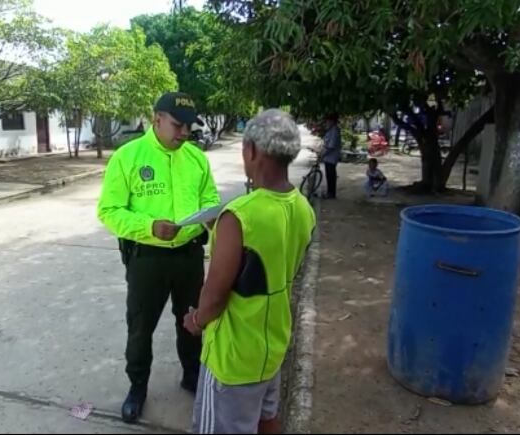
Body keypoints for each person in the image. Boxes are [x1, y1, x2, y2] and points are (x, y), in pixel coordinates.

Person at [183, 109, 316, 434]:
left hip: (233, 359)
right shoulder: (303, 208)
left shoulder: (238, 216)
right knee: (266, 418)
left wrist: (196, 321)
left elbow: (215, 297)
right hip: (272, 345)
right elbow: (269, 262)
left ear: (252, 151)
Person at [96, 92, 221, 424]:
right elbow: (109, 211)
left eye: (189, 126)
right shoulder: (128, 157)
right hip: (146, 260)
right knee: (140, 326)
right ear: (157, 120)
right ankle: (137, 387)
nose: (185, 133)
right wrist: (149, 227)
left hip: (189, 257)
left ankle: (192, 374)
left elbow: (209, 198)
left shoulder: (196, 158)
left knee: (192, 320)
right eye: (178, 125)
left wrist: (211, 217)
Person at [320, 113, 342, 199]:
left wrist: (323, 154)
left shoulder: (334, 131)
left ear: (332, 121)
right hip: (329, 157)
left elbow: (331, 146)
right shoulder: (331, 129)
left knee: (331, 175)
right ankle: (330, 192)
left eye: (328, 121)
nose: (327, 122)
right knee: (329, 175)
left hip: (331, 157)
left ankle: (331, 193)